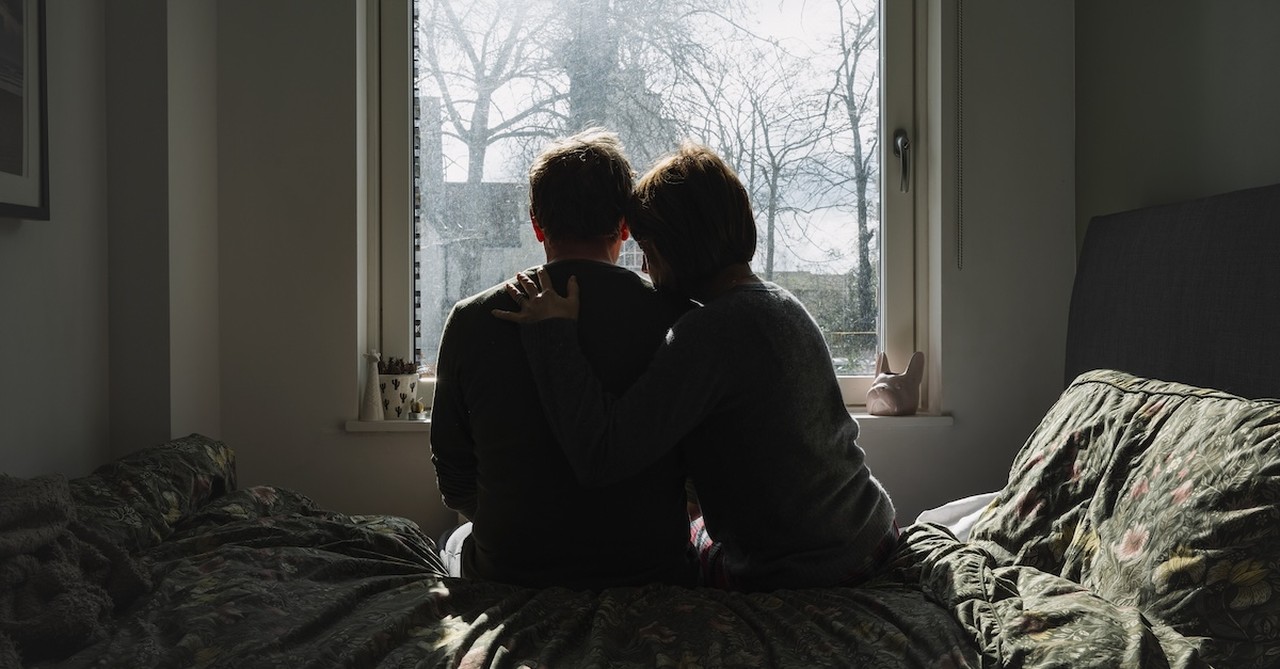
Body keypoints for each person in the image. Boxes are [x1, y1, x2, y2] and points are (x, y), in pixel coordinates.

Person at [494, 142, 899, 592]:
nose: (644, 267)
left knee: (676, 550)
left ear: (676, 245)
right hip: (869, 529)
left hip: (807, 567)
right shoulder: (781, 303)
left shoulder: (711, 331)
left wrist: (553, 333)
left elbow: (602, 455)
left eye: (648, 249)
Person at [430, 129, 697, 589]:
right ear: (624, 225)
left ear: (537, 225)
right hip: (652, 572)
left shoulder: (472, 320)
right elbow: (704, 465)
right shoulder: (682, 319)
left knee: (453, 540)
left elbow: (454, 476)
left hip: (510, 572)